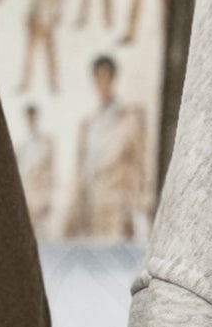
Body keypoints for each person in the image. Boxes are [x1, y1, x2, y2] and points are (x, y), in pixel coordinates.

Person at [62, 52, 149, 240]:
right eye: (97, 77)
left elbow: (139, 163)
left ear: (113, 78)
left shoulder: (128, 118)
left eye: (105, 77)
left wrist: (139, 204)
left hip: (116, 207)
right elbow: (80, 168)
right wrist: (72, 207)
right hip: (91, 207)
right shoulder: (88, 123)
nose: (101, 83)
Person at [17, 104, 58, 238]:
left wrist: (48, 196)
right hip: (26, 194)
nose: (31, 121)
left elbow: (51, 171)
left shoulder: (47, 142)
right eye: (29, 118)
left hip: (41, 196)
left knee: (42, 235)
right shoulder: (22, 145)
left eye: (33, 118)